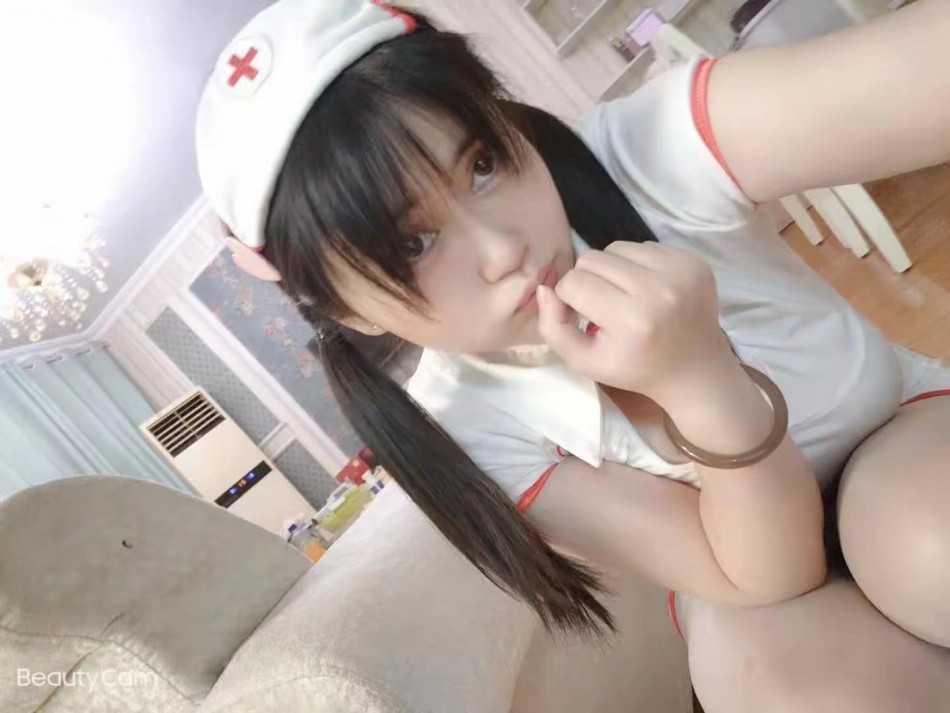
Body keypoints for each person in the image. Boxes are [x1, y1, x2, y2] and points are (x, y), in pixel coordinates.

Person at [195, 0, 950, 708]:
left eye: (483, 164)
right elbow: (767, 574)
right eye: (413, 245)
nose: (503, 248)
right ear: (346, 309)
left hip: (896, 435)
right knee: (784, 687)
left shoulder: (648, 153)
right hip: (759, 584)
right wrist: (697, 380)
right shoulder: (465, 422)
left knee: (931, 542)